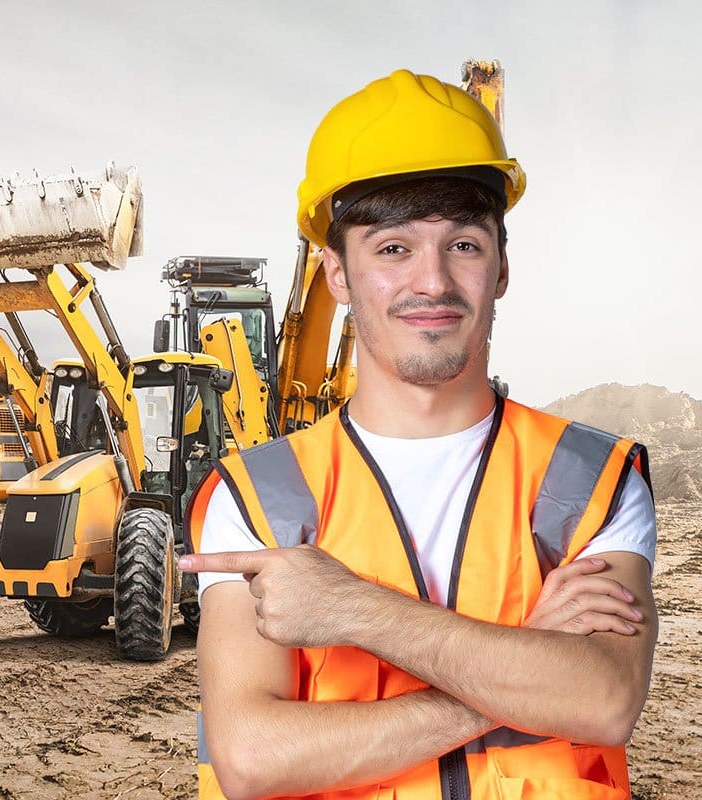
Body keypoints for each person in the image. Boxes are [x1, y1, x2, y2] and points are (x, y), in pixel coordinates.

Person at [178, 69, 657, 800]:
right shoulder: (258, 496)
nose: (431, 282)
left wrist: (353, 610)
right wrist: (529, 668)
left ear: (501, 267)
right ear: (337, 273)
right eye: (393, 249)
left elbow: (603, 700)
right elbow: (251, 756)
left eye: (462, 244)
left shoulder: (591, 479)